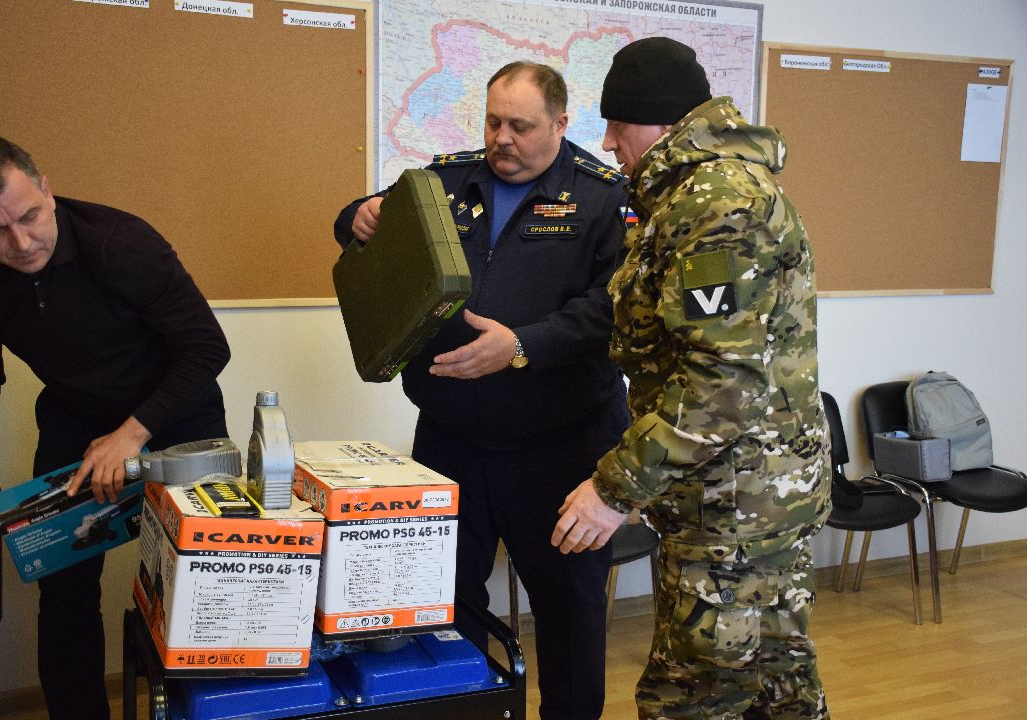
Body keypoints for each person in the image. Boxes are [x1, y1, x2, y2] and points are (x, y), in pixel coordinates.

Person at [334, 62, 629, 720]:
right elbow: (362, 227)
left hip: (559, 450)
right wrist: (358, 215)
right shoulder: (448, 179)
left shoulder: (603, 197)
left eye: (520, 126)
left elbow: (611, 312)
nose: (501, 138)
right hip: (451, 442)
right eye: (493, 121)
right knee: (445, 606)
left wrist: (522, 345)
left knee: (569, 616)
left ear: (559, 123)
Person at [552, 38, 833, 720]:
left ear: (656, 122)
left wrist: (612, 490)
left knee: (695, 697)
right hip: (743, 496)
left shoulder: (715, 203)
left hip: (735, 507)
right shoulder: (695, 192)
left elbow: (721, 382)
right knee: (774, 688)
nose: (609, 139)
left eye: (618, 122)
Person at [0, 135, 230, 720]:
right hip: (75, 417)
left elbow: (207, 347)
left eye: (29, 217)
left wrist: (130, 436)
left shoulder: (121, 242)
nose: (21, 243)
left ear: (46, 189)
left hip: (176, 410)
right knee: (65, 588)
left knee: (199, 579)